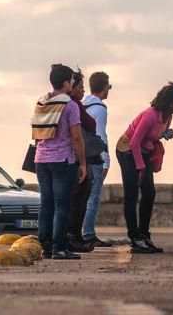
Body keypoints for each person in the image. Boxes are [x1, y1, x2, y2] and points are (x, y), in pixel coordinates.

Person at [116, 82, 173, 253]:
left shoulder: (168, 116)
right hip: (127, 151)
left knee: (149, 193)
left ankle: (144, 235)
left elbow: (151, 137)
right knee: (131, 194)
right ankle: (135, 238)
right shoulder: (150, 115)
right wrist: (141, 168)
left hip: (142, 151)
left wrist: (163, 135)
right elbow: (134, 143)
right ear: (170, 103)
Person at [31, 64, 87, 260]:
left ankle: (45, 247)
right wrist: (83, 164)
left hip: (41, 159)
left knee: (46, 204)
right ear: (65, 83)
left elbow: (36, 135)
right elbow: (77, 137)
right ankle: (59, 248)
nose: (72, 84)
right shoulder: (70, 105)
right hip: (62, 160)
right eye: (72, 81)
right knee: (62, 205)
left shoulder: (41, 102)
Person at [67, 71, 102, 253]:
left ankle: (75, 236)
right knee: (78, 199)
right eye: (80, 87)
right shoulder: (74, 105)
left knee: (76, 200)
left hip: (66, 158)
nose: (82, 91)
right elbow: (89, 126)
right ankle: (74, 237)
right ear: (71, 87)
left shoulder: (74, 104)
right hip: (76, 159)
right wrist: (82, 164)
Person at [82, 71, 113, 248]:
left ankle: (80, 233)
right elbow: (101, 136)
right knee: (93, 199)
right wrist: (106, 161)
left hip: (81, 157)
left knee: (82, 199)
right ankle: (88, 234)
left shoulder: (83, 104)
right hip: (95, 159)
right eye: (109, 86)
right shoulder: (100, 108)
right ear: (104, 88)